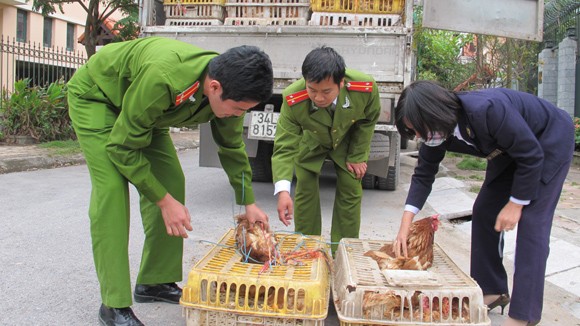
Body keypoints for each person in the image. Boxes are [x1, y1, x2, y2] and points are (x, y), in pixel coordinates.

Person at [67, 37, 273, 326]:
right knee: (112, 190)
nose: (238, 115)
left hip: (146, 115)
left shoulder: (230, 87)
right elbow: (122, 148)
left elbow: (231, 147)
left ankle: (154, 282)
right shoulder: (164, 78)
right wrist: (163, 202)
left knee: (171, 180)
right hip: (100, 98)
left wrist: (248, 201)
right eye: (238, 109)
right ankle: (113, 306)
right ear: (214, 88)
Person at [392, 80, 574, 326]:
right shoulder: (436, 132)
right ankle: (491, 290)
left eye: (418, 129)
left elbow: (531, 155)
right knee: (485, 210)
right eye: (413, 131)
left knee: (532, 222)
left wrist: (516, 203)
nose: (419, 137)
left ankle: (523, 316)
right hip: (509, 150)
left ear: (435, 113)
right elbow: (424, 175)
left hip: (547, 140)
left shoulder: (486, 109)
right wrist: (406, 223)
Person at [271, 46, 381, 253]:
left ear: (341, 83)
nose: (319, 98)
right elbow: (284, 147)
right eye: (312, 90)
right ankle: (308, 249)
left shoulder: (364, 88)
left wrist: (357, 156)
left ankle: (344, 251)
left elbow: (368, 120)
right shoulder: (292, 98)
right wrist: (283, 191)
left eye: (326, 91)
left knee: (351, 185)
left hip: (346, 139)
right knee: (304, 185)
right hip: (311, 140)